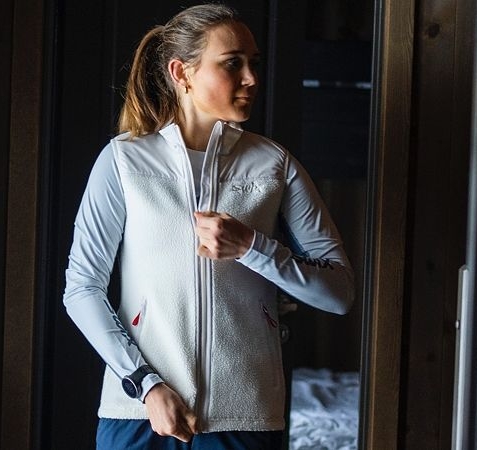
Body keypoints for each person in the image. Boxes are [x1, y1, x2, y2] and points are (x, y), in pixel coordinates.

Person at [61, 4, 356, 449]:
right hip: (140, 414)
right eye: (232, 63)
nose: (251, 78)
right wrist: (145, 384)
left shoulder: (274, 165)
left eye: (254, 63)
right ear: (182, 72)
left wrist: (253, 247)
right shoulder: (124, 161)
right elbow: (82, 288)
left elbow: (339, 292)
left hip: (246, 416)